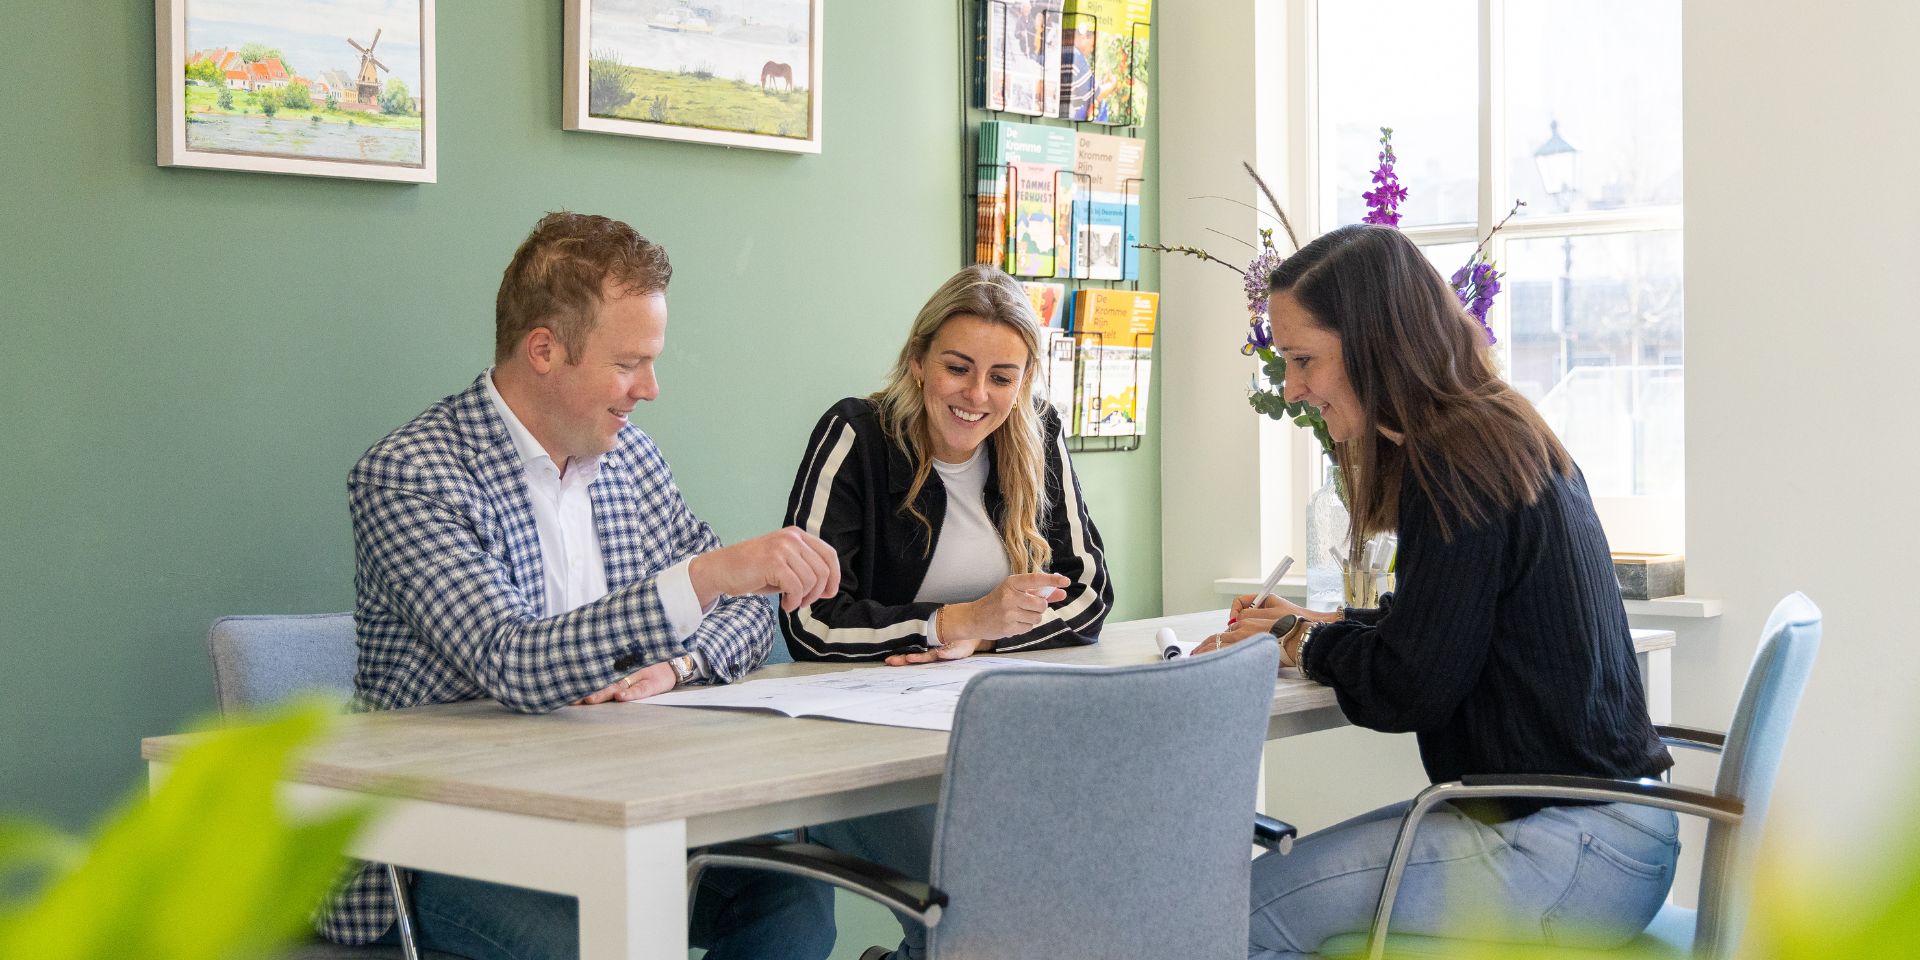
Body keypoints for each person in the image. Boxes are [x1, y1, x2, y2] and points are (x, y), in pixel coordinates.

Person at [327, 212, 839, 960]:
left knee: (791, 895)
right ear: (544, 349)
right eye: (629, 362)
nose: (651, 389)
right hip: (447, 848)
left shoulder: (630, 459)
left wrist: (679, 665)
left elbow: (743, 612)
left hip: (617, 818)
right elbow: (512, 659)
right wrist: (701, 578)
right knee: (621, 943)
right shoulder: (409, 476)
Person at [1196, 224, 1678, 958]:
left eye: (1303, 360)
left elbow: (1410, 684)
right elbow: (1440, 625)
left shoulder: (1454, 461)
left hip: (1562, 850)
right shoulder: (1491, 431)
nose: (1291, 388)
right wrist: (1319, 624)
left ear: (1370, 342)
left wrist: (1299, 640)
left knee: (1228, 915)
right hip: (1609, 835)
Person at [784, 263, 1113, 960]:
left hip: (991, 733)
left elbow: (1088, 592)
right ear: (917, 360)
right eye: (958, 368)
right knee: (977, 922)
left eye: (1002, 376)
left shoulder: (1037, 433)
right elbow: (808, 622)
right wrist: (954, 622)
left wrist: (986, 642)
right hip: (860, 749)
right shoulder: (857, 434)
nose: (977, 395)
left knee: (1062, 907)